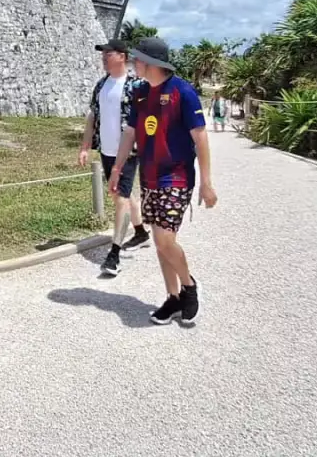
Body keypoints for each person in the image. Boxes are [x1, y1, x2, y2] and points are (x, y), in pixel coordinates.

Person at [107, 37, 218, 325]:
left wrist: (206, 183)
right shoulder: (141, 93)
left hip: (177, 177)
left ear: (152, 63)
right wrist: (118, 169)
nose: (134, 64)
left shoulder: (183, 91)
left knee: (166, 239)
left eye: (138, 59)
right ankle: (172, 298)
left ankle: (189, 286)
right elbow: (130, 133)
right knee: (160, 243)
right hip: (150, 177)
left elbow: (200, 137)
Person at [78, 39, 147, 276]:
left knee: (120, 198)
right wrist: (85, 146)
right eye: (103, 53)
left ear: (122, 56)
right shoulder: (101, 85)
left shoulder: (137, 85)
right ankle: (140, 232)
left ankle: (114, 255)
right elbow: (92, 117)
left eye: (109, 53)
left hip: (128, 152)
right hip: (106, 150)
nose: (104, 56)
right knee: (125, 195)